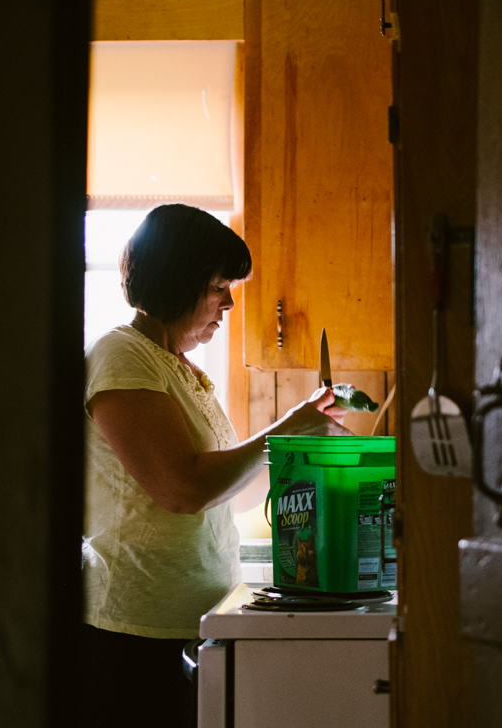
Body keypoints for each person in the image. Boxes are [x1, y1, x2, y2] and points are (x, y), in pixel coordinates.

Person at [79, 204, 349, 727]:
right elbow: (182, 490)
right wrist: (285, 429)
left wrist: (299, 445)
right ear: (178, 281)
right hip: (133, 629)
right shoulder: (121, 355)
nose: (228, 301)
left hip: (190, 621)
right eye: (218, 285)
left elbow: (235, 494)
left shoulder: (182, 370)